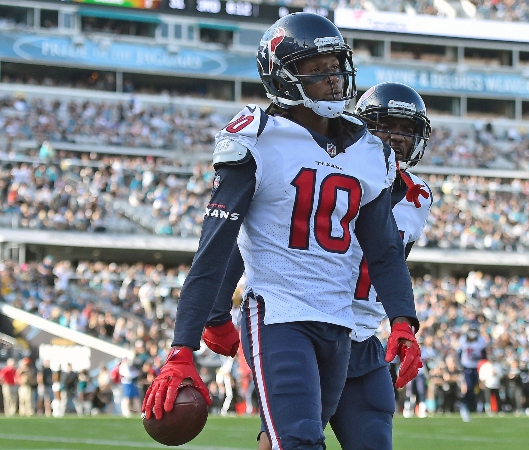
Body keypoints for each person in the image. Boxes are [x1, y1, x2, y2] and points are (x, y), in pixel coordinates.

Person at [142, 13, 421, 450]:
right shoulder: (257, 136)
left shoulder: (370, 151)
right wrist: (184, 343)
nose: (332, 78)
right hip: (278, 313)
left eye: (335, 65)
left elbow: (383, 249)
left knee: (289, 442)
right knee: (298, 442)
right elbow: (215, 246)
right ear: (283, 76)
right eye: (315, 69)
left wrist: (403, 320)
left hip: (338, 323)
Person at [328, 82, 433, 449]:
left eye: (407, 130)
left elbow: (390, 264)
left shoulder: (418, 196)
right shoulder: (332, 173)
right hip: (312, 327)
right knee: (289, 439)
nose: (397, 137)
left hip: (364, 336)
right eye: (387, 125)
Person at [457, 323, 487, 422]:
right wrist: (459, 365)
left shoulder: (480, 341)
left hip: (477, 367)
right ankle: (464, 406)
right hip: (466, 367)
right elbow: (459, 353)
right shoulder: (463, 340)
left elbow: (484, 354)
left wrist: (481, 359)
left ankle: (470, 407)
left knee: (476, 388)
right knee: (468, 387)